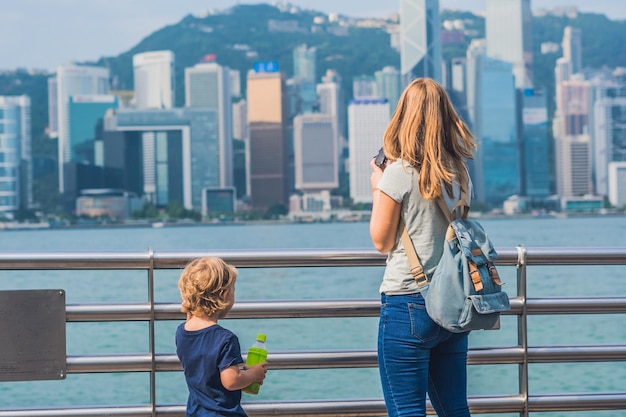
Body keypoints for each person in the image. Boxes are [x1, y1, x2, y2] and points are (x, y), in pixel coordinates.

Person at [369, 77, 477, 417]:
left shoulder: (398, 173)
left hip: (407, 303)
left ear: (403, 116)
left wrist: (377, 187)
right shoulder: (459, 172)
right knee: (455, 409)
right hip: (452, 304)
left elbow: (381, 241)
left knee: (406, 411)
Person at [175, 257, 267, 417]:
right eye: (233, 289)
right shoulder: (225, 339)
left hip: (195, 411)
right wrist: (254, 374)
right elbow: (231, 381)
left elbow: (207, 368)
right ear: (224, 295)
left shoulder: (182, 332)